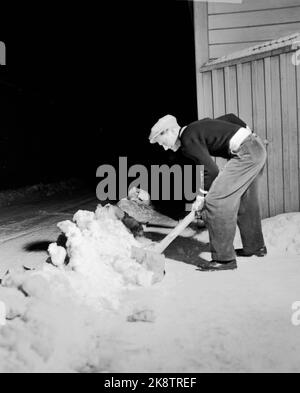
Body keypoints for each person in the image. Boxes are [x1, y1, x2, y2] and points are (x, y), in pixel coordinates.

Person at [149, 114, 267, 271]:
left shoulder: (187, 139)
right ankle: (255, 247)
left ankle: (224, 260)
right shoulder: (199, 126)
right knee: (246, 200)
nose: (164, 147)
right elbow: (231, 118)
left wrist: (201, 196)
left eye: (162, 142)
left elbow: (211, 170)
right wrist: (249, 135)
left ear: (169, 131)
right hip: (256, 148)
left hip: (246, 154)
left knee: (215, 202)